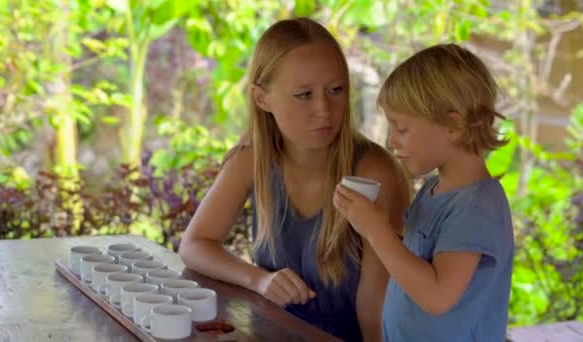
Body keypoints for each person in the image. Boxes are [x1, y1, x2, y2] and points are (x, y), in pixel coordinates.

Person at [178, 17, 410, 341]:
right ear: (262, 99)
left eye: (335, 90)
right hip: (267, 330)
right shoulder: (253, 157)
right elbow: (194, 245)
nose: (324, 110)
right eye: (304, 94)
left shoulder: (374, 174)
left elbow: (376, 311)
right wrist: (259, 280)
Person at [333, 43, 515, 342]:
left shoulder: (477, 206)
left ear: (453, 126)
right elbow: (416, 265)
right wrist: (374, 222)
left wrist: (376, 230)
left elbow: (437, 295)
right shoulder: (434, 188)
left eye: (402, 129)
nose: (392, 141)